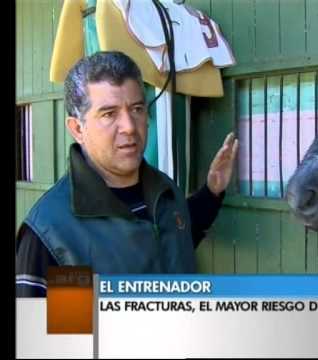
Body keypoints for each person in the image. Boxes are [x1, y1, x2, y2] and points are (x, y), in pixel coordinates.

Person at [15, 51, 238, 297]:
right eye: (109, 114)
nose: (130, 126)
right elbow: (66, 333)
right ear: (78, 128)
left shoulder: (164, 190)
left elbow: (173, 242)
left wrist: (211, 191)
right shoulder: (55, 232)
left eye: (136, 109)